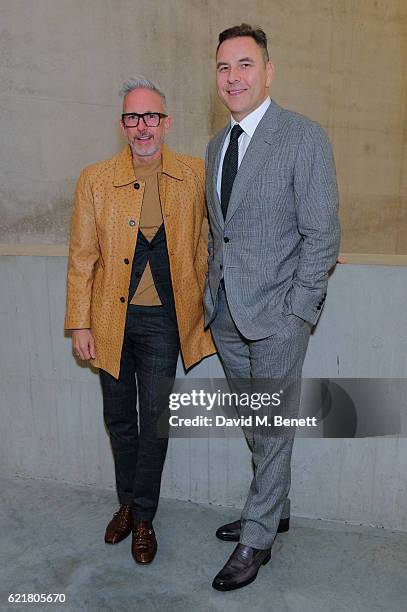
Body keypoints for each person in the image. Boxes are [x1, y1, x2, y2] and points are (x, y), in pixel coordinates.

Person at [204, 24, 341, 591]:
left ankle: (257, 539)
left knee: (273, 426)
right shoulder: (217, 145)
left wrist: (299, 311)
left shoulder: (303, 137)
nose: (233, 77)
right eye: (223, 68)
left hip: (279, 318)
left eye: (245, 65)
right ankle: (274, 505)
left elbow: (323, 235)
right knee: (256, 422)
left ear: (268, 71)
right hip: (227, 316)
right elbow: (223, 235)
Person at [65, 76, 215, 565]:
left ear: (166, 123)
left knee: (154, 424)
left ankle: (144, 517)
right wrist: (80, 323)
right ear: (123, 125)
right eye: (133, 117)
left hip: (164, 324)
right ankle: (125, 504)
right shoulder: (95, 178)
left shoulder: (194, 173)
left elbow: (218, 238)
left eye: (151, 116)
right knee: (119, 420)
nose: (142, 126)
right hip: (109, 320)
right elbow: (82, 257)